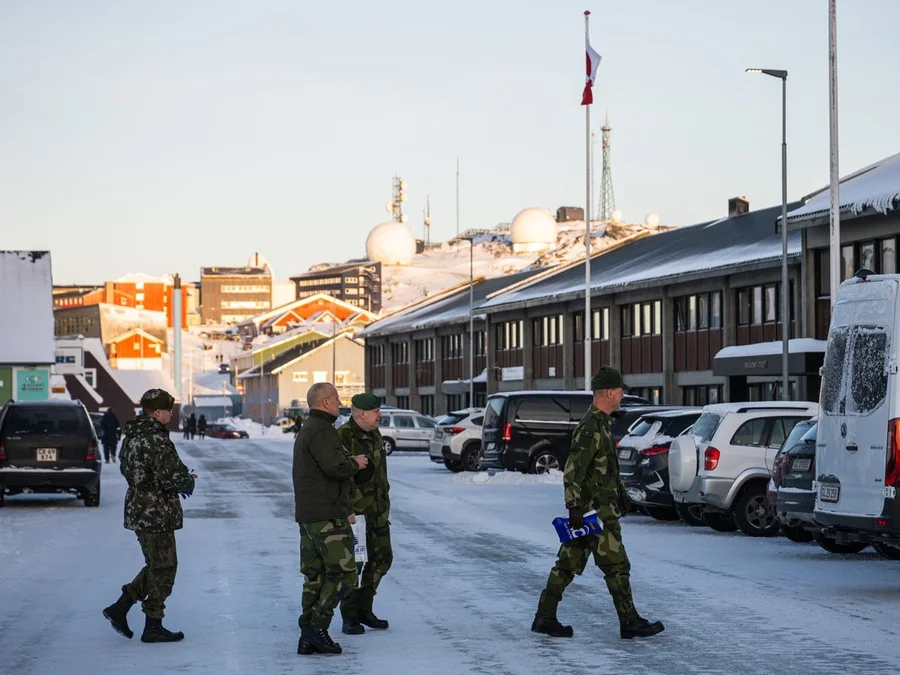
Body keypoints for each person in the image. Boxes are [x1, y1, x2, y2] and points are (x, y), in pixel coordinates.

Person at [533, 367, 664, 640]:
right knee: (617, 566)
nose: (622, 396)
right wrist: (574, 507)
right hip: (594, 514)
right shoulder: (591, 427)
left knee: (566, 565)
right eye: (620, 392)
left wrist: (622, 496)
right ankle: (629, 622)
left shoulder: (602, 423)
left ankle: (544, 617)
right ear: (609, 392)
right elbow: (573, 470)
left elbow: (603, 469)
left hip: (595, 511)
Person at [102, 389, 198, 644]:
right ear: (157, 413)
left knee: (157, 565)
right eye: (169, 409)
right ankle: (152, 624)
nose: (172, 413)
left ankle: (122, 607)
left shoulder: (132, 436)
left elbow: (130, 469)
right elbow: (172, 474)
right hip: (156, 511)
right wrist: (187, 481)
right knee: (165, 566)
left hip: (138, 506)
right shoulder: (155, 439)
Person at [293, 382, 368, 656]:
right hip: (326, 514)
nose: (340, 403)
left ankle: (308, 635)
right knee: (344, 573)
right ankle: (316, 628)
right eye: (336, 399)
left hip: (311, 514)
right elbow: (335, 467)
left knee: (316, 576)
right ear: (324, 402)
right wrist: (355, 464)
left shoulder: (309, 428)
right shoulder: (322, 429)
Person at [337, 393, 392, 636]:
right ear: (361, 413)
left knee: (382, 559)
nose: (380, 415)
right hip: (355, 515)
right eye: (376, 411)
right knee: (354, 566)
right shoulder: (344, 437)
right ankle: (349, 617)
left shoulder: (375, 434)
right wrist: (347, 509)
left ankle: (364, 609)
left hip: (378, 512)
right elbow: (339, 477)